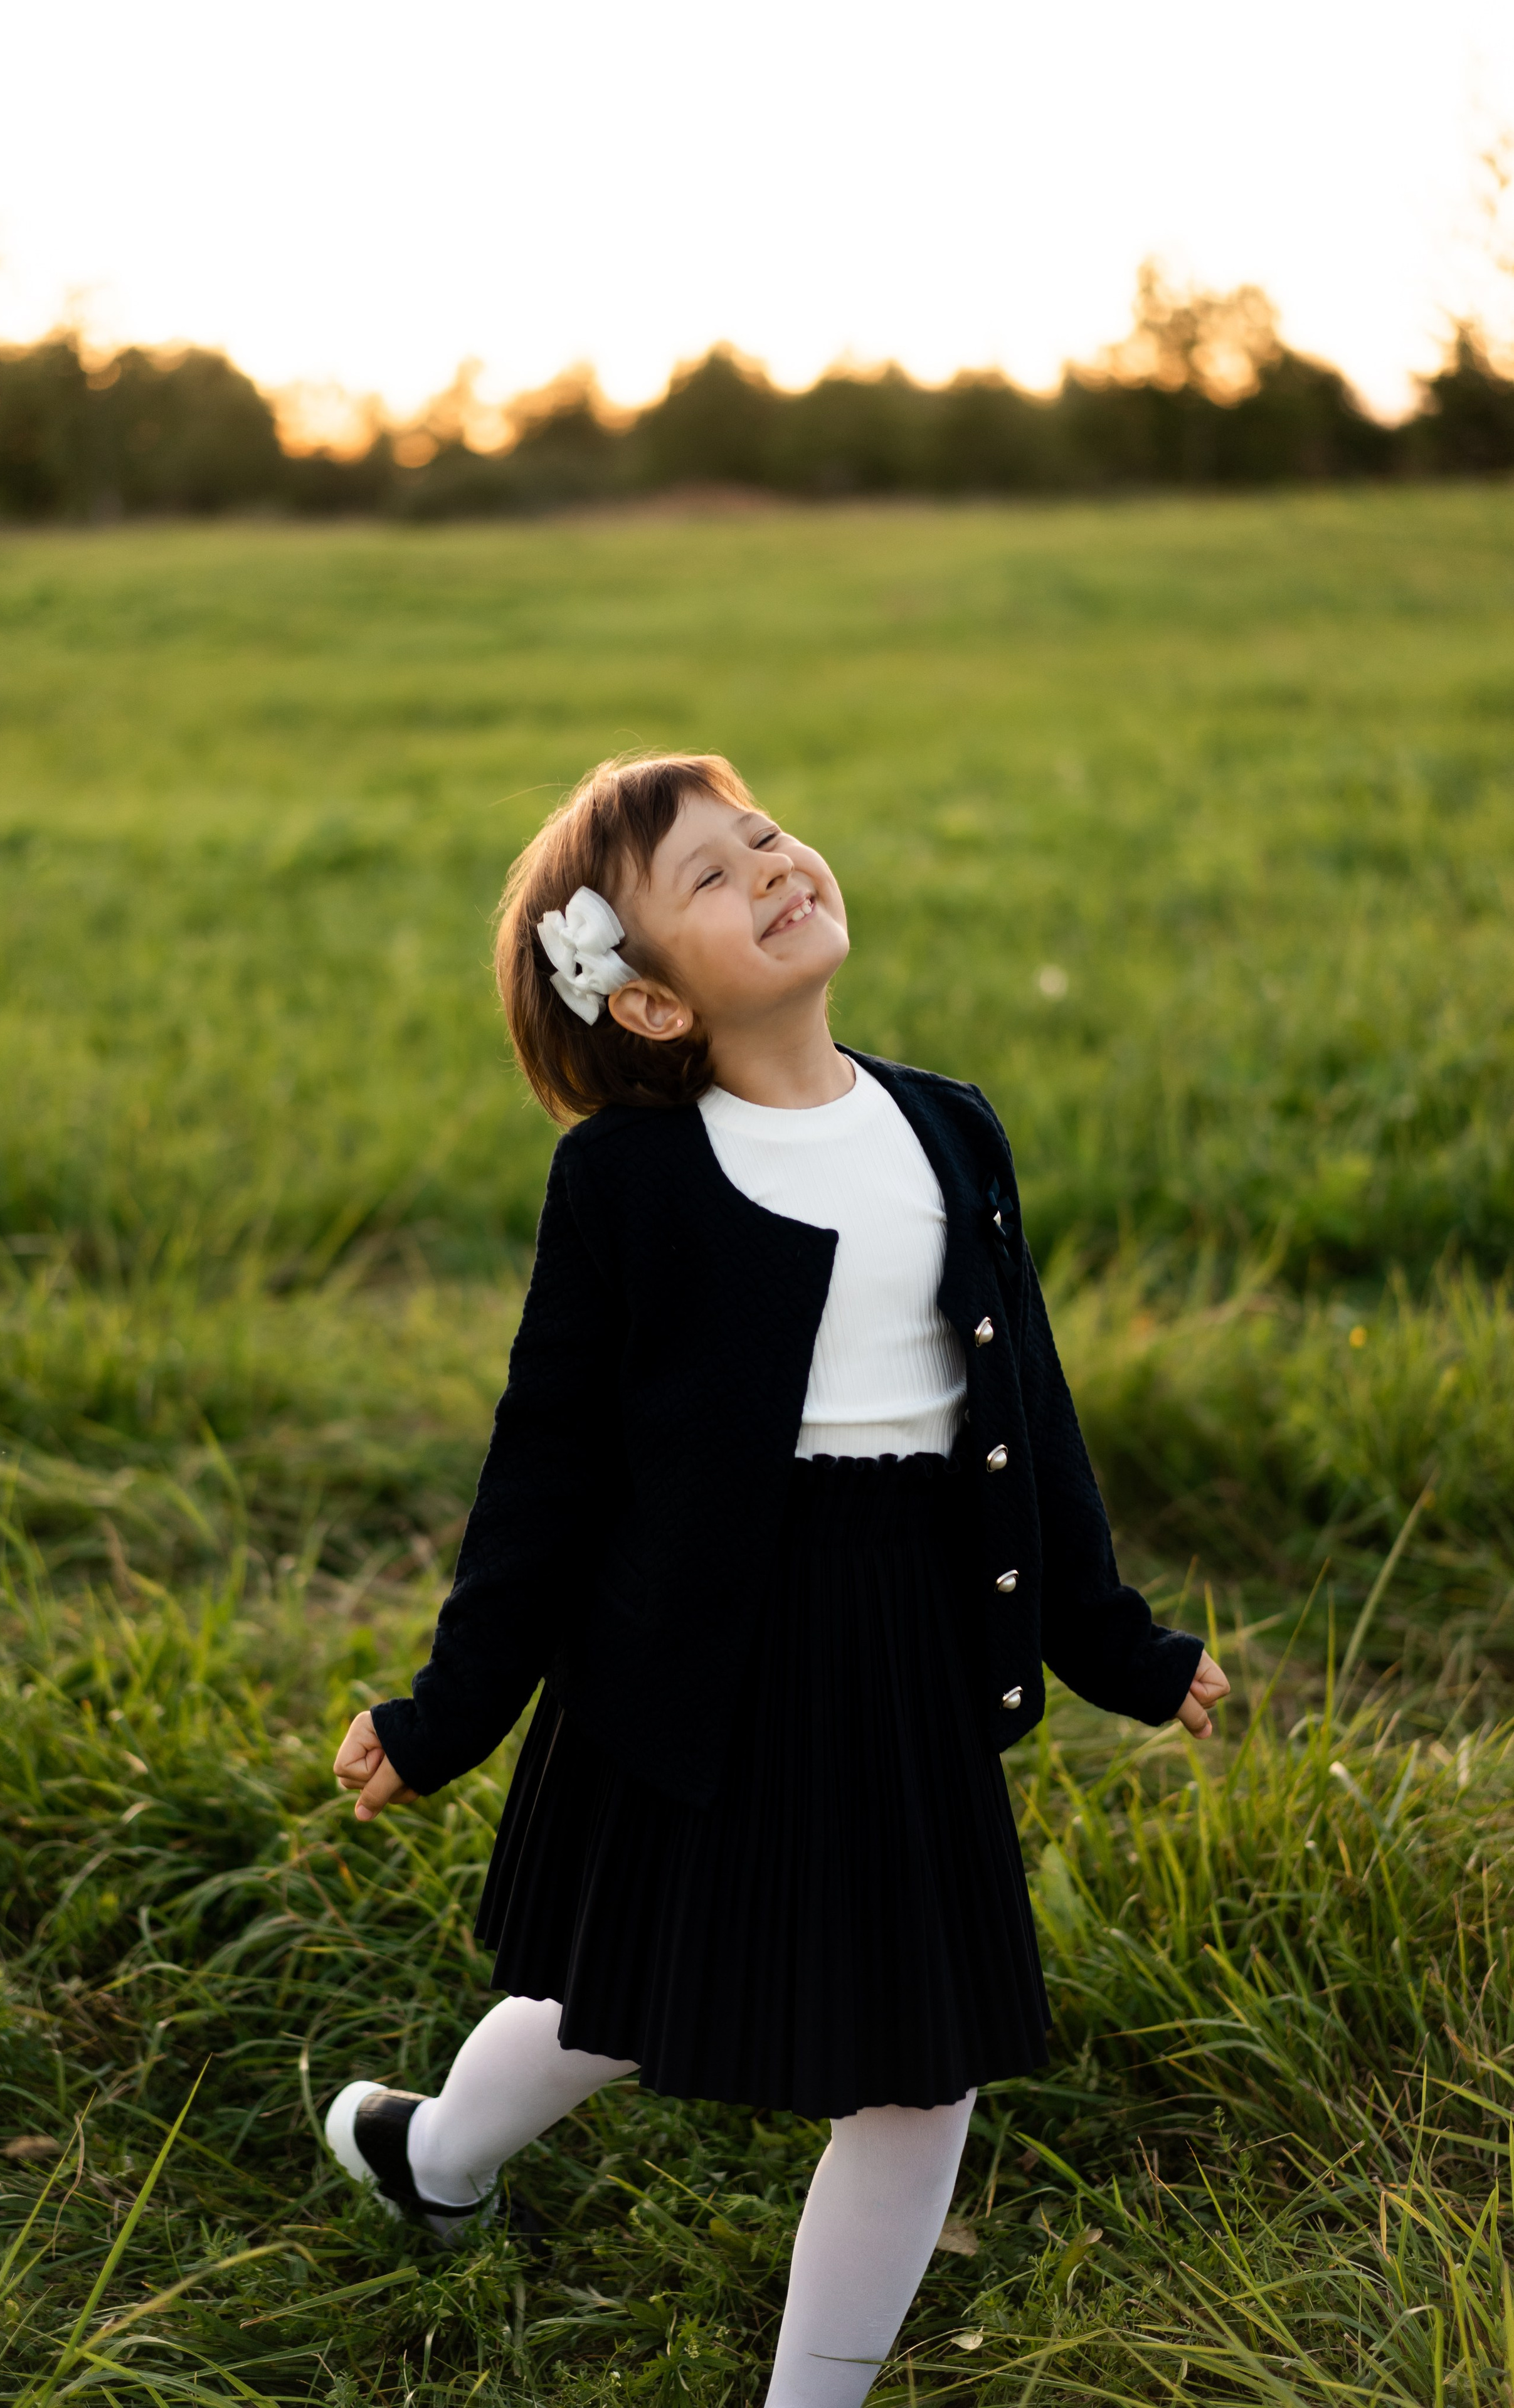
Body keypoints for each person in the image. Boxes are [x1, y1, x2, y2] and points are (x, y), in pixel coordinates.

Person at [326, 752, 1229, 2408]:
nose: (774, 869)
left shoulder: (949, 1123)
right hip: (692, 1655)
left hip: (904, 1642)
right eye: (716, 880)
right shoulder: (630, 1181)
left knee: (920, 2071)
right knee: (614, 2001)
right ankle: (435, 2152)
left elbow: (1023, 1404)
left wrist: (1115, 1638)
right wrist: (451, 1707)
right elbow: (546, 1465)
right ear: (655, 1007)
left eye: (768, 837)